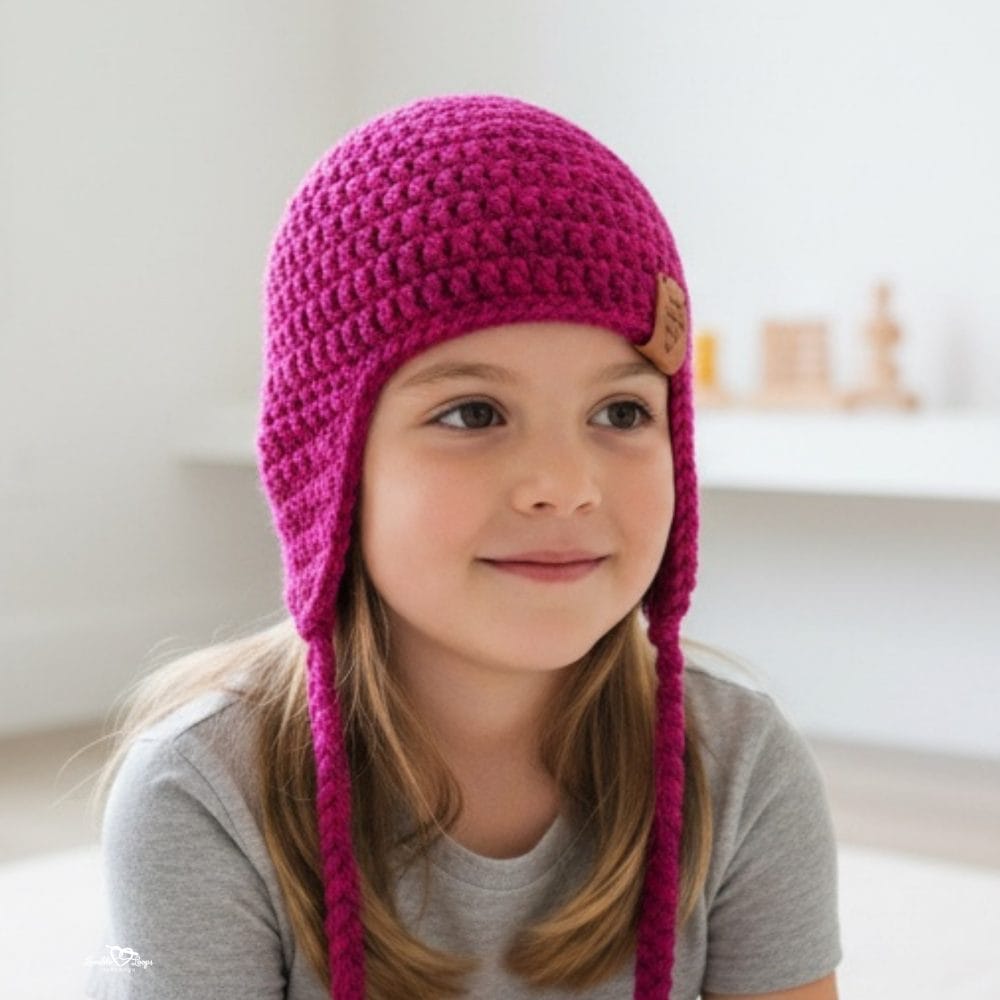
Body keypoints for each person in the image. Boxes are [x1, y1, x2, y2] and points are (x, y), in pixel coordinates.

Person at [83, 93, 842, 999]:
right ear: (331, 463)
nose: (564, 482)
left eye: (621, 411)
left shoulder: (741, 766)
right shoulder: (203, 792)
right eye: (473, 413)